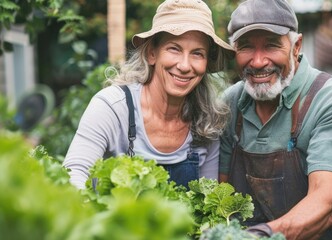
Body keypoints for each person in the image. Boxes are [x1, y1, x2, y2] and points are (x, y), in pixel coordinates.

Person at [219, 0, 332, 239]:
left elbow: (325, 204)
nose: (258, 62)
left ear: (296, 46)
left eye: (271, 46)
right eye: (246, 47)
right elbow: (219, 193)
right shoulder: (230, 104)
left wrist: (258, 236)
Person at [63, 0, 234, 190]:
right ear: (152, 53)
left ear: (206, 63)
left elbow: (207, 200)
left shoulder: (206, 123)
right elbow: (74, 173)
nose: (185, 66)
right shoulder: (113, 106)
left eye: (197, 53)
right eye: (174, 49)